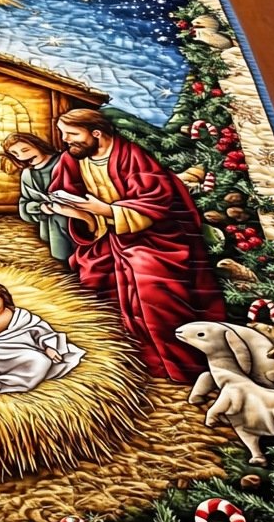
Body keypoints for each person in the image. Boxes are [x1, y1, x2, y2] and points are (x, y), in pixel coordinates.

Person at [44, 108, 226, 383]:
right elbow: (73, 197)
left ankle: (183, 366)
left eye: (72, 134)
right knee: (93, 279)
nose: (65, 140)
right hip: (107, 237)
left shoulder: (133, 157)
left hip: (154, 237)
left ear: (96, 133)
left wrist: (105, 210)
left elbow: (157, 202)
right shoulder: (72, 159)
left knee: (152, 288)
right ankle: (129, 362)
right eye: (63, 133)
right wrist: (74, 212)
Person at [1, 132, 72, 263]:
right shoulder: (27, 174)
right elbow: (24, 203)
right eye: (15, 154)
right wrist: (40, 207)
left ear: (38, 145)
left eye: (25, 150)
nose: (21, 156)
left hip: (74, 222)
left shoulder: (65, 161)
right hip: (49, 230)